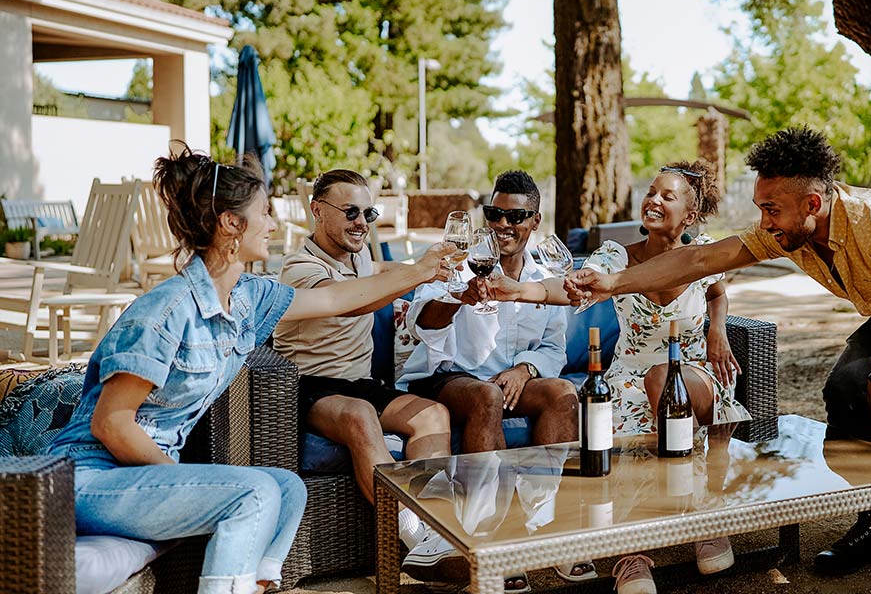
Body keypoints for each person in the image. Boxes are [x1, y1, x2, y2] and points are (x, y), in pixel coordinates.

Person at [567, 128, 871, 594]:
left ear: (812, 205)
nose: (764, 220)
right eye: (761, 207)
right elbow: (699, 262)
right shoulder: (786, 229)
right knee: (841, 389)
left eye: (771, 209)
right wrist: (613, 282)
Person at [42, 144, 455, 594]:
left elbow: (339, 299)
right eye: (265, 212)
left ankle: (257, 583)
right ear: (231, 225)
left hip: (141, 476)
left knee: (287, 487)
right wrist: (184, 479)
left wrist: (423, 270)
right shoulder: (164, 313)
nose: (275, 224)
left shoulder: (247, 297)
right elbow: (111, 423)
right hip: (91, 478)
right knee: (254, 493)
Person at [479, 161, 749, 593]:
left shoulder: (703, 252)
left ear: (690, 217)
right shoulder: (615, 257)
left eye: (667, 196)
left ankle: (704, 516)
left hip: (694, 370)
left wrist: (718, 329)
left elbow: (717, 291)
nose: (653, 200)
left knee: (665, 379)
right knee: (616, 415)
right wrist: (519, 290)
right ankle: (632, 553)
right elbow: (569, 287)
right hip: (628, 378)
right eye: (651, 192)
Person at [398, 170, 590, 590]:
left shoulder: (543, 277)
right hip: (449, 376)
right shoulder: (459, 261)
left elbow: (554, 348)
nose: (503, 224)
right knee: (485, 395)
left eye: (515, 217)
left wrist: (525, 369)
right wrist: (457, 296)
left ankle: (540, 527)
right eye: (495, 214)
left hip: (510, 379)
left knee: (562, 392)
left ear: (535, 221)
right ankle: (488, 539)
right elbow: (422, 322)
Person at [277, 169, 463, 585]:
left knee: (433, 414)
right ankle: (415, 534)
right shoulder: (298, 267)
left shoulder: (359, 256)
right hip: (310, 384)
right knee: (361, 414)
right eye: (350, 212)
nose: (362, 222)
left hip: (358, 382)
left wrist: (442, 269)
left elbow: (378, 268)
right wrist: (417, 272)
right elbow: (350, 303)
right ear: (317, 212)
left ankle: (438, 530)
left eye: (368, 212)